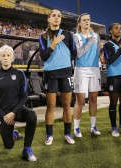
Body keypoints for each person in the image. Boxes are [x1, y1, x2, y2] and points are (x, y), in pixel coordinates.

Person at [0, 45, 37, 162]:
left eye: (8, 55)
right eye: (3, 56)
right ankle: (14, 134)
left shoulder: (20, 74)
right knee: (8, 146)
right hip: (3, 115)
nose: (6, 58)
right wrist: (3, 115)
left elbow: (24, 96)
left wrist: (13, 112)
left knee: (32, 115)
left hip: (17, 111)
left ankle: (27, 149)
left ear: (12, 57)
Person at [39, 9, 76, 145]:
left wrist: (65, 63)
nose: (56, 18)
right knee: (51, 106)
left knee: (67, 105)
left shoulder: (68, 35)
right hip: (51, 74)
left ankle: (67, 134)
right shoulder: (43, 37)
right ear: (48, 19)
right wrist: (54, 43)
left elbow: (74, 53)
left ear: (61, 19)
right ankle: (49, 135)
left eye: (59, 16)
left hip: (66, 73)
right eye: (53, 16)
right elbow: (43, 56)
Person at [73, 13, 101, 137]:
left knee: (94, 99)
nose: (86, 21)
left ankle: (93, 126)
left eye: (88, 20)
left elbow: (97, 52)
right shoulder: (76, 36)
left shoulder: (96, 36)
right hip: (81, 70)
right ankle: (76, 128)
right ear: (79, 23)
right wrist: (89, 41)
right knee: (80, 100)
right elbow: (78, 54)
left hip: (94, 69)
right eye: (84, 20)